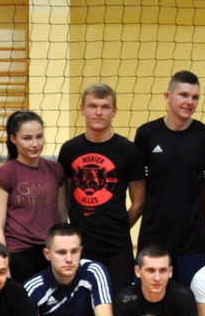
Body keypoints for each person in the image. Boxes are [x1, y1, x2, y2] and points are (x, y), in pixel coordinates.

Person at [134, 70, 205, 285]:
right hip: (153, 239)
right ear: (167, 96)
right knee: (150, 299)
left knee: (191, 300)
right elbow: (140, 188)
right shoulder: (146, 134)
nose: (189, 102)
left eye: (195, 97)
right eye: (183, 95)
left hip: (192, 242)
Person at [59, 83, 146, 282]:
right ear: (82, 109)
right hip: (80, 244)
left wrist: (120, 227)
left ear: (114, 111)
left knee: (119, 298)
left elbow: (139, 202)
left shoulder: (129, 151)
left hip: (117, 245)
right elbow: (65, 196)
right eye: (92, 106)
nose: (98, 112)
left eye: (105, 107)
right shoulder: (70, 149)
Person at [0, 110, 66, 283]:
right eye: (27, 138)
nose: (35, 144)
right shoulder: (5, 173)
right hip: (19, 253)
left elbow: (62, 217)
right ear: (13, 139)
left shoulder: (55, 169)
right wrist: (4, 265)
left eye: (39, 137)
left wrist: (63, 251)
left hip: (51, 252)